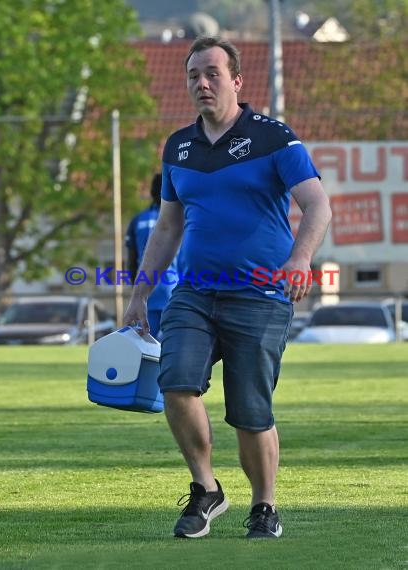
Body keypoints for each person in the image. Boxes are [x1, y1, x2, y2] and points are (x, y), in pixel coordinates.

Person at [124, 36, 332, 539]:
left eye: (213, 73)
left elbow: (318, 205)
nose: (202, 83)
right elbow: (169, 227)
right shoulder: (177, 146)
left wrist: (300, 259)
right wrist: (137, 295)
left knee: (249, 412)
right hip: (193, 294)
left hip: (260, 296)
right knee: (174, 383)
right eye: (194, 75)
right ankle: (206, 490)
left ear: (237, 81)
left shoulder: (274, 138)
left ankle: (264, 506)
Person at [125, 173, 176, 339]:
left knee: (146, 346)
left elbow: (132, 261)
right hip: (175, 292)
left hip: (147, 293)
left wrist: (137, 290)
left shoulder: (138, 219)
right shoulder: (181, 218)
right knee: (172, 346)